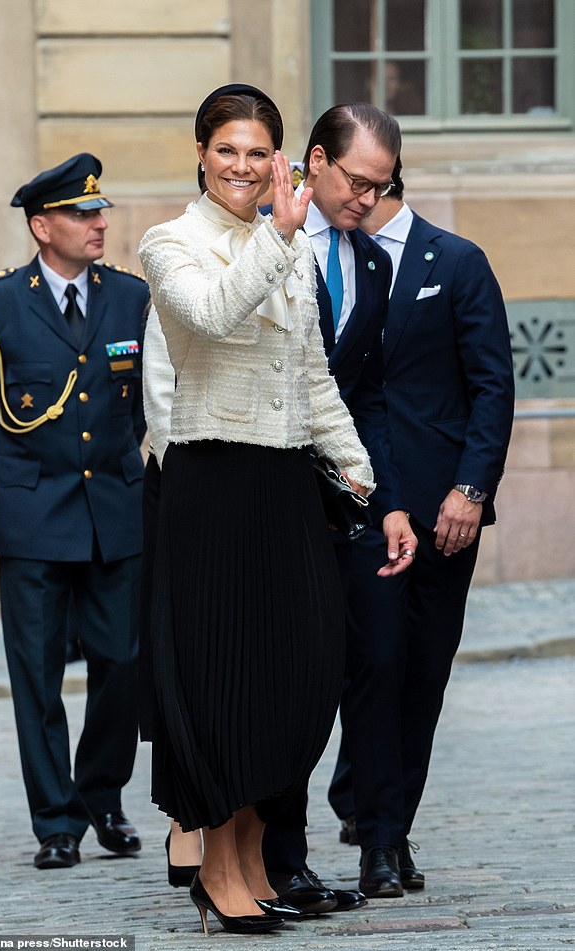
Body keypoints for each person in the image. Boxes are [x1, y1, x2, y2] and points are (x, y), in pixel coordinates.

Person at [137, 83, 380, 936]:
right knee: (226, 685)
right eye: (227, 149)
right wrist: (278, 233)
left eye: (257, 151)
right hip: (212, 486)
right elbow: (207, 318)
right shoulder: (170, 243)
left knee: (298, 676)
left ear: (278, 160)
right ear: (202, 153)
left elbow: (313, 377)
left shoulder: (292, 254)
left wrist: (359, 471)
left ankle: (244, 857)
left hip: (283, 485)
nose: (241, 165)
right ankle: (223, 864)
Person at [0, 153, 149, 870]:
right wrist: (15, 491)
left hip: (116, 513)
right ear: (42, 227)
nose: (99, 223)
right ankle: (57, 819)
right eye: (81, 213)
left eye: (100, 210)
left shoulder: (132, 298)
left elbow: (141, 408)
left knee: (124, 663)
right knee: (35, 673)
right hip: (34, 515)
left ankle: (101, 793)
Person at [327, 160, 515, 897]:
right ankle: (376, 838)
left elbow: (493, 383)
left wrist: (471, 489)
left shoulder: (457, 261)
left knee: (423, 675)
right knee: (375, 665)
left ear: (381, 185)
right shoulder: (329, 261)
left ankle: (393, 826)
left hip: (446, 513)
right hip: (364, 501)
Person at [259, 103, 418, 913]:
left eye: (382, 187)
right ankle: (281, 858)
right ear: (314, 161)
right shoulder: (256, 241)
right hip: (272, 496)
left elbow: (367, 397)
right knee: (292, 674)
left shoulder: (375, 266)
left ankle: (379, 838)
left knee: (381, 655)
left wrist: (387, 499)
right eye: (357, 181)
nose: (368, 200)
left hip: (353, 499)